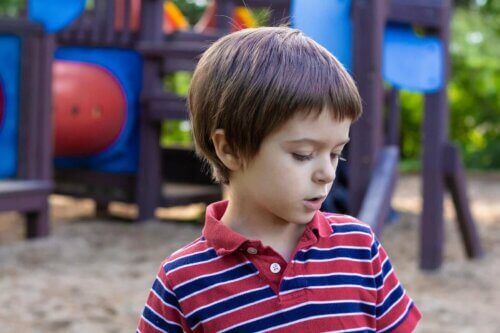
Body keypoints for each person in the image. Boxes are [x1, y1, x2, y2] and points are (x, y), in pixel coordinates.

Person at [137, 26, 421, 332]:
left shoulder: (360, 248)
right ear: (229, 148)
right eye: (302, 154)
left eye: (336, 153)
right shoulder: (183, 281)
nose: (327, 173)